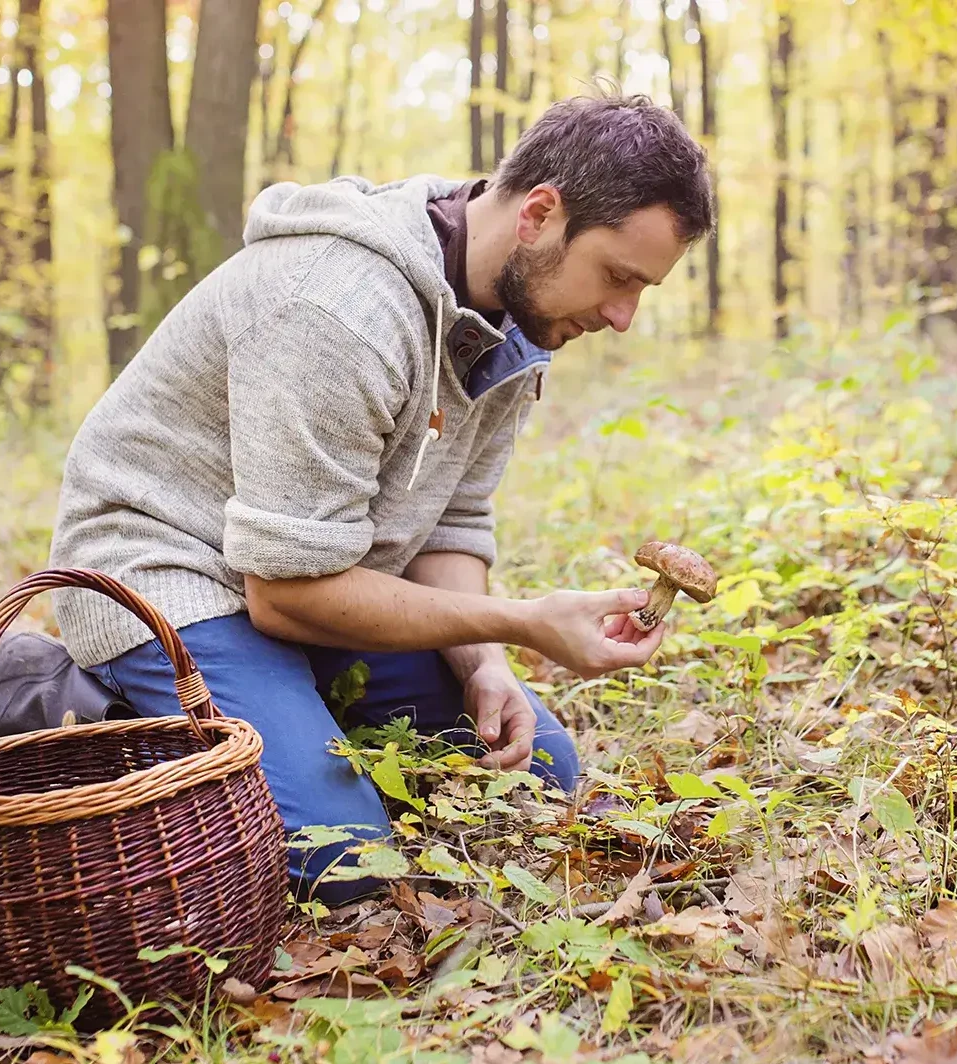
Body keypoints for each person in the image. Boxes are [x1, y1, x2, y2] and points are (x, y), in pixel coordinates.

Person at [44, 93, 716, 905]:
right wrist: (523, 620)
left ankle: (287, 717)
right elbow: (287, 593)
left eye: (641, 289)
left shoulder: (520, 318)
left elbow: (453, 520)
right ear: (540, 213)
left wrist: (488, 665)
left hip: (316, 580)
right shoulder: (336, 310)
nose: (621, 316)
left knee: (543, 771)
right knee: (349, 862)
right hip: (166, 577)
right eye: (617, 277)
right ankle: (97, 720)